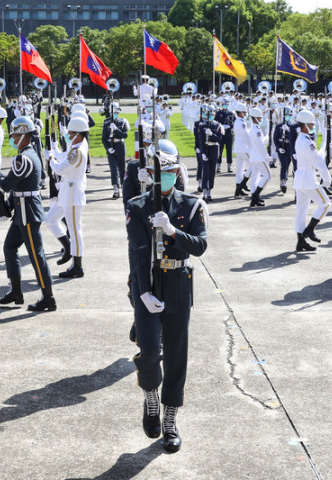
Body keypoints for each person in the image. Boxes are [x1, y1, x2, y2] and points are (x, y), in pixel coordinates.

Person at [125, 139, 208, 453]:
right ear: (148, 172)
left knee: (176, 356)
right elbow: (138, 254)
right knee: (148, 352)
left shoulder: (191, 205)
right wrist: (142, 292)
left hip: (178, 283)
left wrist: (174, 231)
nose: (167, 176)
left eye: (172, 170)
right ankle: (150, 396)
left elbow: (199, 246)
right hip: (149, 284)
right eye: (161, 171)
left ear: (178, 170)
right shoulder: (137, 206)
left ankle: (170, 418)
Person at [0, 116, 55, 312]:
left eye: (15, 135)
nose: (13, 138)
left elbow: (7, 184)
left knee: (36, 256)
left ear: (24, 135)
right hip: (21, 210)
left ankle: (48, 297)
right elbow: (16, 188)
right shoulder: (29, 154)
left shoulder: (23, 158)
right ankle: (15, 291)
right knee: (9, 248)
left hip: (27, 212)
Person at [48, 116, 89, 278]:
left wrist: (50, 158)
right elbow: (65, 158)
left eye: (71, 133)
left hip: (72, 193)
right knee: (50, 219)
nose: (68, 135)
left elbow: (59, 169)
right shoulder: (77, 145)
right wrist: (55, 149)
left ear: (78, 134)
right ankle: (67, 248)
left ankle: (77, 266)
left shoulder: (77, 151)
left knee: (75, 230)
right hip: (67, 191)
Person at [293, 110, 331, 252]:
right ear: (305, 125)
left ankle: (301, 241)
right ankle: (310, 229)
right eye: (311, 124)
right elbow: (317, 161)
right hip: (309, 179)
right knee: (326, 204)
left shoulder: (300, 139)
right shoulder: (307, 141)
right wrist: (326, 177)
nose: (312, 127)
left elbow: (312, 157)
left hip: (299, 179)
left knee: (301, 212)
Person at [101, 102, 130, 199]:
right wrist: (108, 148)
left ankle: (124, 189)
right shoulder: (106, 122)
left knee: (122, 170)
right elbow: (104, 138)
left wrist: (116, 129)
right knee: (113, 170)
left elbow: (125, 135)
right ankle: (116, 190)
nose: (115, 113)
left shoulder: (122, 122)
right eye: (114, 111)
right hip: (111, 148)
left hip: (120, 148)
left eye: (117, 111)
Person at [247, 108, 272, 207]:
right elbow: (260, 145)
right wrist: (266, 157)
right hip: (259, 156)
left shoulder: (255, 128)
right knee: (268, 176)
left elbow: (262, 141)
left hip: (254, 156)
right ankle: (256, 195)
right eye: (260, 117)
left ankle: (254, 199)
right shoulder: (255, 129)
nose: (261, 119)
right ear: (255, 118)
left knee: (255, 178)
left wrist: (269, 133)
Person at [232, 103, 251, 197]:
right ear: (240, 113)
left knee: (240, 169)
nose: (246, 113)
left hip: (239, 147)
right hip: (243, 148)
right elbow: (246, 136)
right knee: (253, 164)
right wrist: (251, 146)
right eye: (244, 112)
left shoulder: (238, 121)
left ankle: (238, 189)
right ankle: (243, 184)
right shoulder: (241, 122)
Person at [215, 100, 235, 173]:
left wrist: (229, 126)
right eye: (224, 104)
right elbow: (215, 122)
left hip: (229, 134)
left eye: (226, 104)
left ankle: (229, 166)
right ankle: (218, 166)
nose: (225, 105)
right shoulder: (218, 113)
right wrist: (220, 126)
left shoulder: (231, 113)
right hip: (220, 134)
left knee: (229, 150)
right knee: (219, 150)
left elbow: (235, 123)